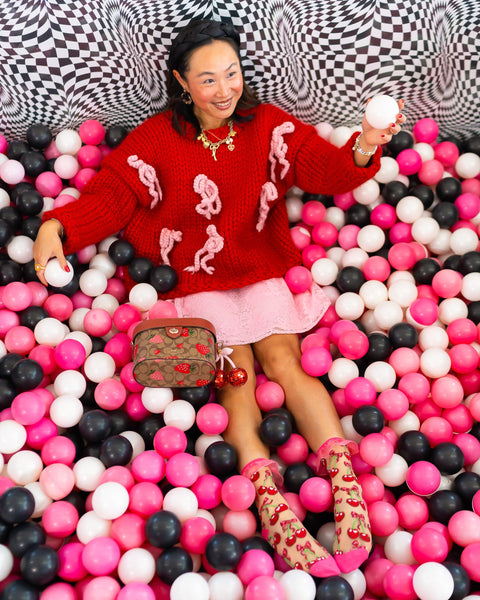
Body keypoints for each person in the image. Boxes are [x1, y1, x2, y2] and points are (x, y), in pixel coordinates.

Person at [33, 18, 406, 577]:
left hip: (260, 264)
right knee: (237, 376)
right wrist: (57, 227)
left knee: (286, 360)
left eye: (231, 74)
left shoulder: (267, 126)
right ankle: (269, 500)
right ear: (182, 83)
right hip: (195, 277)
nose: (225, 89)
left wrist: (363, 148)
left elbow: (320, 168)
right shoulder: (157, 139)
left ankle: (344, 483)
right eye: (208, 80)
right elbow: (114, 194)